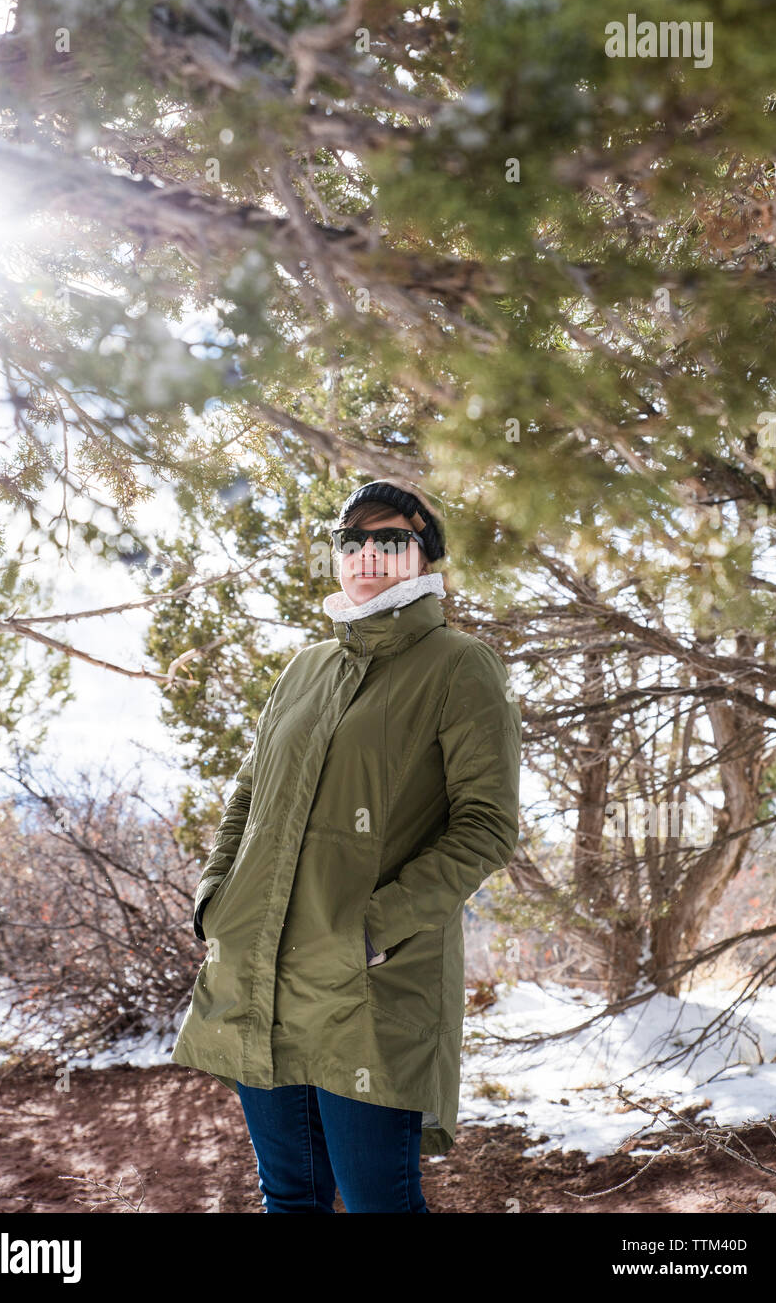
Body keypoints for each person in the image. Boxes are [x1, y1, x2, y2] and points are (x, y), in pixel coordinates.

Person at [171, 476, 521, 1212]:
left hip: (367, 987)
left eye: (390, 540)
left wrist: (370, 930)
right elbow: (248, 795)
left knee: (375, 1203)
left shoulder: (459, 665)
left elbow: (485, 826)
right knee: (289, 1197)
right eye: (351, 541)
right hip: (259, 971)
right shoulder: (306, 668)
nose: (368, 555)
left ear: (425, 558)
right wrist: (215, 900)